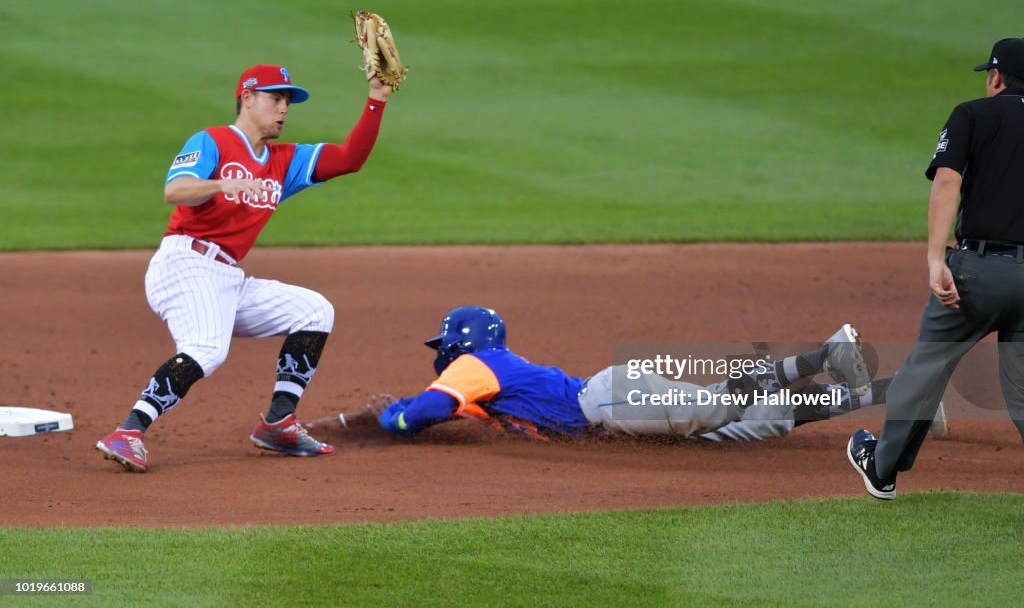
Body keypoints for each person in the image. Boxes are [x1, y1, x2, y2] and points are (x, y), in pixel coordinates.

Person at [95, 64, 393, 472]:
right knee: (206, 351)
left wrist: (377, 99)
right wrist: (222, 184)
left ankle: (278, 423)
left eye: (288, 101)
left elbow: (348, 159)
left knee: (314, 310)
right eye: (276, 98)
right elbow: (174, 190)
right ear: (248, 99)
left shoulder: (283, 161)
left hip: (227, 277)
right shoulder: (213, 140)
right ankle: (128, 431)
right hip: (184, 262)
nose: (284, 108)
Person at [848, 37, 1024, 500]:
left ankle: (882, 469)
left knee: (926, 368)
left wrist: (934, 259)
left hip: (978, 274)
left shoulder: (972, 114)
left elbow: (947, 180)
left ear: (996, 77)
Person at [305, 305, 889, 443]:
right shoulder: (487, 376)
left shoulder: (474, 366)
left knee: (716, 407)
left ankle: (826, 355)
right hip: (616, 413)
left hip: (606, 400)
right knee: (748, 428)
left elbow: (429, 409)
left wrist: (394, 416)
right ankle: (886, 393)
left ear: (460, 345)